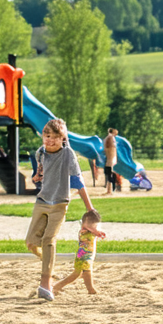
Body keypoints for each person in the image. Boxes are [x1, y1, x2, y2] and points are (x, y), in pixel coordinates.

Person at [29, 118, 97, 301]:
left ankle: (46, 283)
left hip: (59, 203)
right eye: (47, 135)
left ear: (62, 138)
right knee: (31, 243)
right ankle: (49, 265)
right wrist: (36, 176)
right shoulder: (40, 153)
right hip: (42, 201)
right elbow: (40, 173)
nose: (49, 140)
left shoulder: (68, 154)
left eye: (55, 137)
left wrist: (90, 208)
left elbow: (78, 181)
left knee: (49, 240)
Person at [52, 210, 107, 296]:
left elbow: (93, 229)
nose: (94, 227)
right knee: (86, 272)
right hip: (83, 257)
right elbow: (89, 228)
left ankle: (57, 286)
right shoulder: (83, 231)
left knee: (76, 274)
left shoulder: (91, 231)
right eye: (92, 225)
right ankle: (91, 289)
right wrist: (96, 231)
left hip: (86, 256)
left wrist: (98, 232)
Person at [103, 128, 119, 194]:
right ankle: (110, 189)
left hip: (110, 159)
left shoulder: (109, 138)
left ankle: (110, 189)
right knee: (109, 173)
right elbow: (111, 147)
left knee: (109, 173)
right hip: (110, 159)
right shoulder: (111, 137)